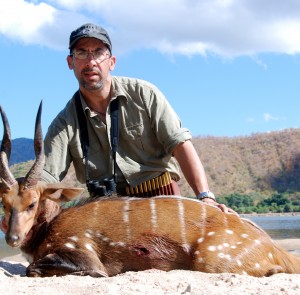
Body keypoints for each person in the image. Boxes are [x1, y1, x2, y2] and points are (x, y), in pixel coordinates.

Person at [41, 23, 235, 214]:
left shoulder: (144, 94)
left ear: (112, 62)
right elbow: (46, 177)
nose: (91, 61)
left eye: (99, 53)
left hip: (161, 198)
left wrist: (205, 197)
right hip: (108, 211)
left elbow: (180, 144)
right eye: (81, 53)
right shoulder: (63, 123)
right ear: (70, 62)